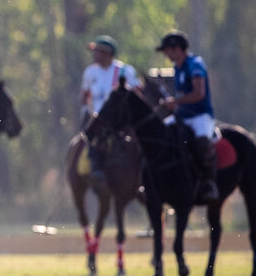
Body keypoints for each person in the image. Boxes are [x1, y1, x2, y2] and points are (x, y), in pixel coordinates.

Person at [156, 30, 219, 202]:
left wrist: (175, 101)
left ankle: (208, 183)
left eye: (167, 50)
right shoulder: (177, 67)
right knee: (159, 135)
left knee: (202, 143)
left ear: (177, 49)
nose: (166, 54)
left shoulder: (195, 65)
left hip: (200, 116)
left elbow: (199, 93)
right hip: (182, 115)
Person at [79, 35, 142, 185]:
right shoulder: (90, 72)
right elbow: (84, 96)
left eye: (98, 52)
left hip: (120, 120)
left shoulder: (124, 71)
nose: (94, 55)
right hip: (98, 118)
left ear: (107, 54)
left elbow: (137, 94)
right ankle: (96, 170)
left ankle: (141, 177)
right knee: (94, 138)